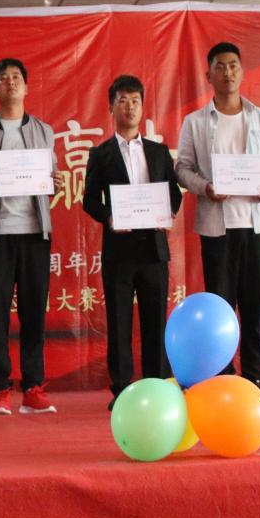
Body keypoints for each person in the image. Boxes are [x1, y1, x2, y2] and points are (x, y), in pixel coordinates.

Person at [175, 43, 260, 406]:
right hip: (217, 226)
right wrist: (205, 187)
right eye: (220, 67)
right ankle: (223, 377)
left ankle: (254, 378)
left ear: (242, 71)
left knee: (256, 306)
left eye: (233, 65)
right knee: (221, 308)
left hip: (257, 223)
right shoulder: (195, 122)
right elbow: (182, 168)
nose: (227, 72)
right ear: (208, 74)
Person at [0, 58, 61, 416]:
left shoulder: (44, 131)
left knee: (34, 313)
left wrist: (55, 182)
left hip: (35, 233)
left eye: (16, 77)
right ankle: (1, 388)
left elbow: (50, 178)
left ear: (27, 87)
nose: (10, 83)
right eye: (2, 78)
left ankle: (33, 387)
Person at [83, 74, 182, 409]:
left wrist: (167, 213)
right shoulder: (101, 154)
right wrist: (109, 218)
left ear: (143, 107)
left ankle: (158, 386)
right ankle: (123, 390)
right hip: (119, 250)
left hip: (154, 248)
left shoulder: (158, 151)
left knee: (156, 321)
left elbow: (173, 192)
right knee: (119, 322)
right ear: (111, 107)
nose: (129, 107)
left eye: (135, 101)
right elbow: (89, 200)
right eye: (122, 101)